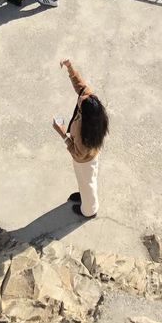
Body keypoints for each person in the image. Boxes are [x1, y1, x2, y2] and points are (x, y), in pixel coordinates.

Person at [52, 58, 109, 218]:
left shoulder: (85, 134)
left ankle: (89, 210)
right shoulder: (92, 106)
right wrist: (70, 68)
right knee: (87, 180)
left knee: (88, 183)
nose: (80, 100)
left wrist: (62, 133)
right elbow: (82, 87)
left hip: (84, 160)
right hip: (90, 156)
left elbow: (78, 153)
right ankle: (85, 196)